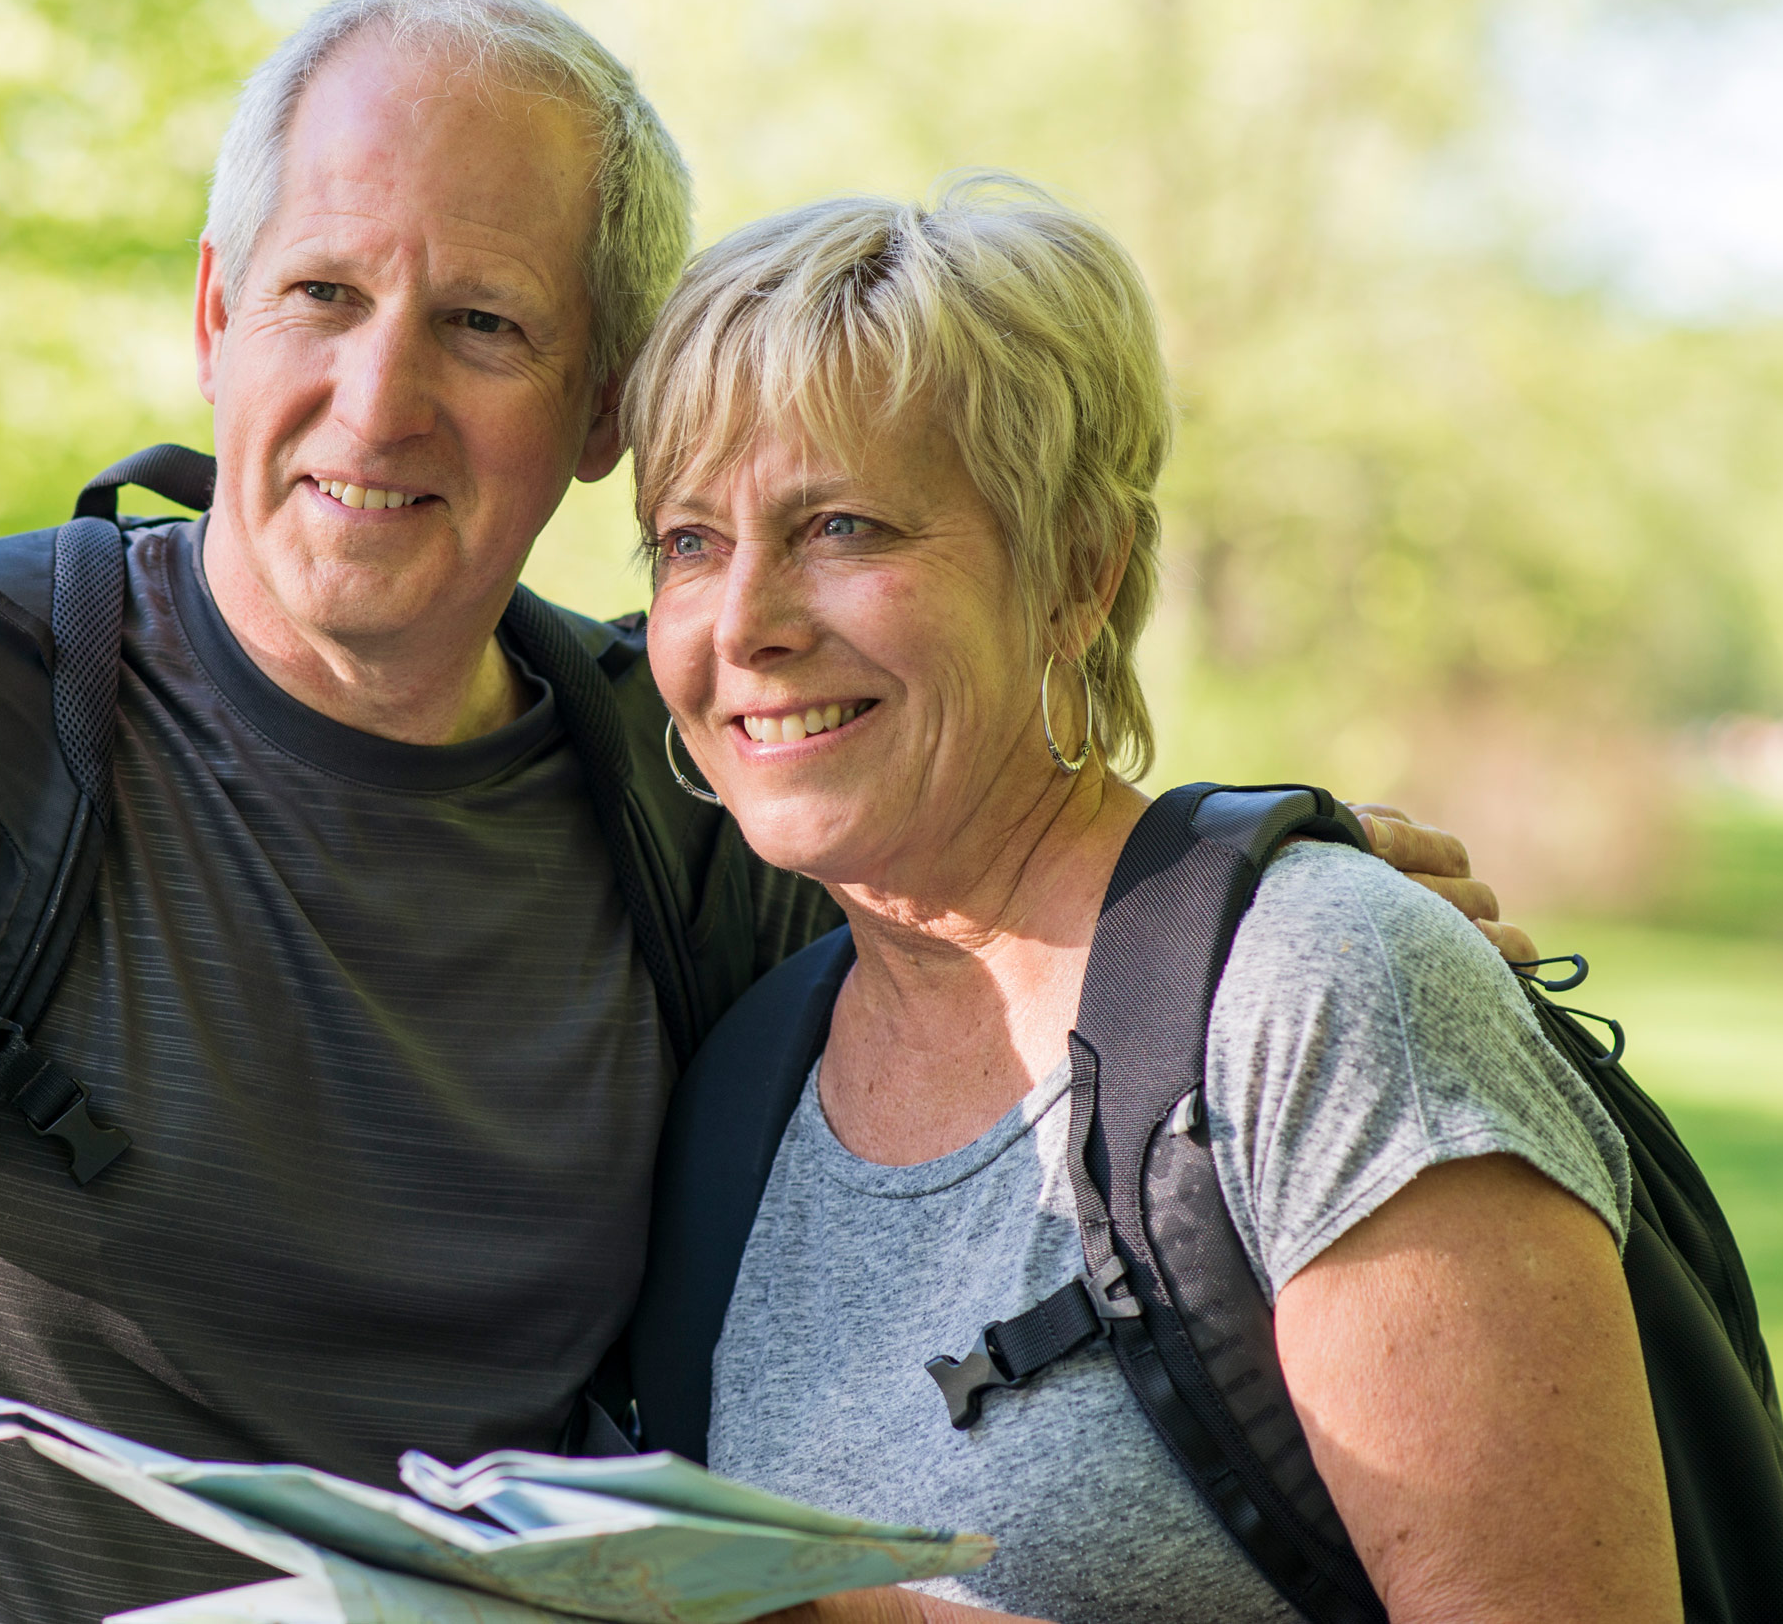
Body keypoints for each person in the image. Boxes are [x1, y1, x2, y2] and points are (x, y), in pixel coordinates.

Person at [0, 0, 1508, 1624]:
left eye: (482, 323)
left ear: (601, 408)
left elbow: (961, 845)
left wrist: (1247, 907)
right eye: (322, 292)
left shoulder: (686, 815)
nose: (378, 396)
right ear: (218, 317)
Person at [620, 178, 1675, 1624]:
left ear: (1076, 573)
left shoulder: (1318, 993)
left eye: (844, 526)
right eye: (689, 541)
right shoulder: (747, 1079)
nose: (744, 621)